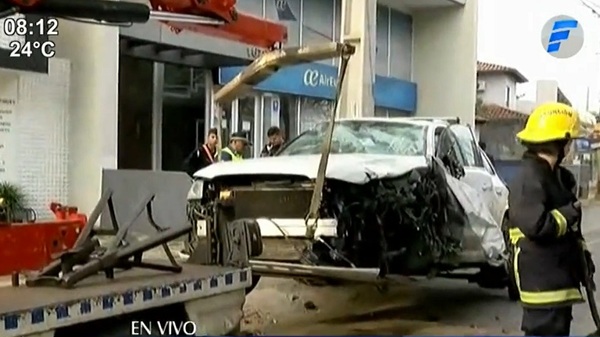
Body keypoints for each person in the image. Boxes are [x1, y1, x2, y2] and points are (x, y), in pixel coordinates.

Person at [508, 102, 594, 336]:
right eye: (570, 141)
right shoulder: (529, 178)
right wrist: (569, 213)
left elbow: (568, 231)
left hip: (555, 283)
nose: (571, 147)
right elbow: (536, 225)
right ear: (560, 143)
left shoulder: (552, 176)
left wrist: (582, 259)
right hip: (543, 287)